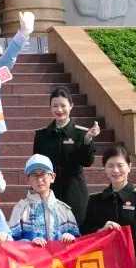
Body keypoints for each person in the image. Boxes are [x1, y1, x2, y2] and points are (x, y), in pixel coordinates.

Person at [34, 87, 101, 224]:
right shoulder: (41, 135)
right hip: (49, 192)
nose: (59, 110)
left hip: (74, 191)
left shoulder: (81, 133)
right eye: (55, 106)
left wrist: (87, 140)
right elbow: (37, 165)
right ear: (50, 107)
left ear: (71, 106)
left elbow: (87, 162)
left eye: (63, 105)